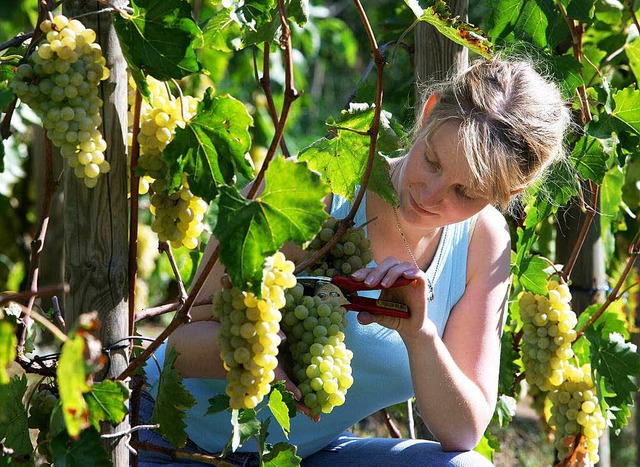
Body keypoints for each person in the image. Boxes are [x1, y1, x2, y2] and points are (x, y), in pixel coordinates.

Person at [137, 57, 571, 466]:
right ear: (429, 111)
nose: (431, 194)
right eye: (432, 161)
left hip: (300, 458)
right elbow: (176, 341)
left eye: (465, 193)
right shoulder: (316, 195)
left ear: (508, 195)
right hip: (167, 441)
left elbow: (463, 431)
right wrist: (268, 356)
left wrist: (420, 335)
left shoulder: (483, 242)